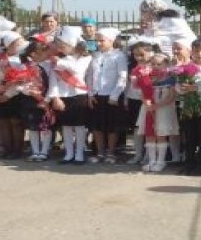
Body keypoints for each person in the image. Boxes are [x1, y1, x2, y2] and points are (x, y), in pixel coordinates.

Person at [50, 26, 92, 165]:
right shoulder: (58, 59)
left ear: (72, 44)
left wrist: (60, 62)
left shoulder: (85, 58)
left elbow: (77, 70)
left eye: (62, 45)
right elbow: (53, 79)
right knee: (66, 126)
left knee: (79, 126)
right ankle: (68, 154)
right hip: (63, 96)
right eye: (58, 45)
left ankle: (79, 153)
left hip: (79, 95)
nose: (60, 48)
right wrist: (55, 97)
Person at [86, 27, 128, 164]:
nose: (98, 43)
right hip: (97, 95)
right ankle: (100, 152)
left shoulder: (119, 56)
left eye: (102, 40)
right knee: (97, 126)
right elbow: (90, 76)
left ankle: (111, 152)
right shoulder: (95, 56)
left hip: (112, 96)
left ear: (111, 41)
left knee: (112, 126)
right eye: (97, 41)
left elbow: (122, 77)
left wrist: (115, 95)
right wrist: (90, 94)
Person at [176, 38, 201, 176]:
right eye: (196, 51)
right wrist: (182, 88)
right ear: (191, 52)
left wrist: (196, 88)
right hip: (187, 106)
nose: (200, 54)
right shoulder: (184, 67)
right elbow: (177, 85)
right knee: (189, 136)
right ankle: (189, 163)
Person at [133, 53, 179, 172]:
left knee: (160, 134)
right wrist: (146, 102)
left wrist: (156, 106)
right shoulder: (146, 76)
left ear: (166, 64)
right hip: (148, 108)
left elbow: (171, 96)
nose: (156, 66)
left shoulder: (170, 78)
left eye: (159, 64)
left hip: (163, 109)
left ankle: (160, 161)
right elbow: (141, 92)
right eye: (153, 64)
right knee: (149, 134)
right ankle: (152, 161)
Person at [0, 31, 29, 160]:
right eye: (18, 43)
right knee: (3, 121)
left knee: (15, 122)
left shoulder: (22, 58)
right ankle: (6, 148)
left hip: (15, 94)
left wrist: (8, 94)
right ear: (9, 45)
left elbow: (22, 79)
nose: (21, 46)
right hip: (0, 94)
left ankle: (18, 149)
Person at [20, 39, 57, 162]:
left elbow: (52, 83)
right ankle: (35, 151)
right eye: (43, 52)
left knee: (46, 126)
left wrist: (47, 99)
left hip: (46, 100)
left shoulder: (49, 66)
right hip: (30, 100)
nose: (46, 54)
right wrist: (27, 91)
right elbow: (19, 84)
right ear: (33, 54)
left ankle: (44, 151)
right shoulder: (25, 66)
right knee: (33, 127)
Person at [125, 39, 156, 165]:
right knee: (137, 128)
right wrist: (126, 98)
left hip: (149, 101)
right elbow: (128, 84)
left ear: (150, 53)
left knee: (149, 129)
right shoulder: (132, 67)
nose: (138, 58)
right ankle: (138, 154)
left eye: (141, 55)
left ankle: (148, 156)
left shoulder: (155, 66)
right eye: (135, 55)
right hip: (134, 99)